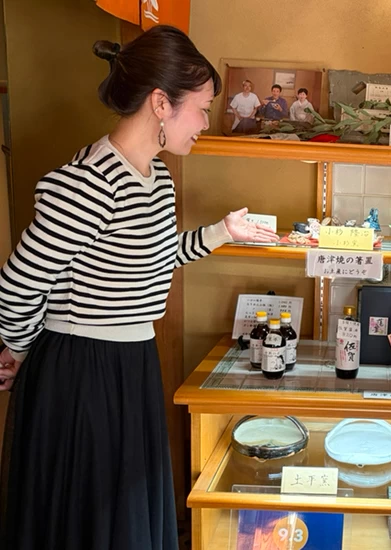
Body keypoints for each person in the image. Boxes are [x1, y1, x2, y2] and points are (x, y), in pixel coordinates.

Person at [0, 25, 278, 550]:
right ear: (160, 103)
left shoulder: (155, 177)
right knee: (93, 518)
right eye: (201, 109)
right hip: (83, 373)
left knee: (124, 515)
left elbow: (156, 256)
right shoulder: (90, 182)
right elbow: (19, 282)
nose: (205, 123)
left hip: (131, 362)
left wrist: (223, 231)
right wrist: (20, 350)